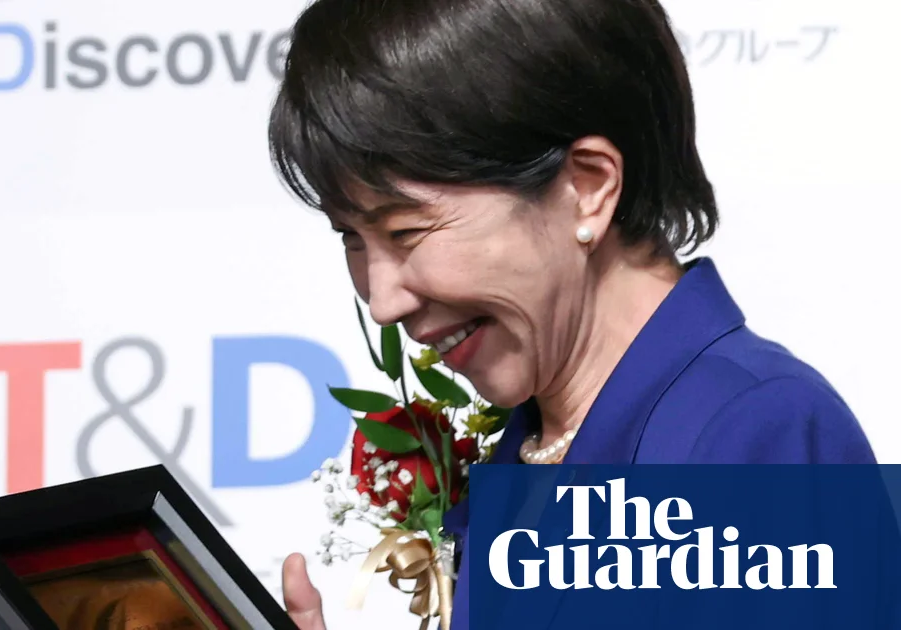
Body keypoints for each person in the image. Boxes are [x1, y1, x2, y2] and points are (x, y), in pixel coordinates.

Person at [264, 0, 878, 628]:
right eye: (352, 238)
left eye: (405, 231)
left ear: (588, 188)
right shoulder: (528, 451)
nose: (382, 301)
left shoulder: (754, 435)